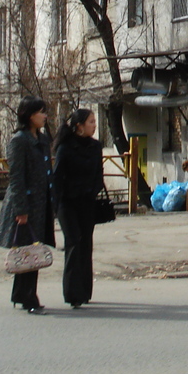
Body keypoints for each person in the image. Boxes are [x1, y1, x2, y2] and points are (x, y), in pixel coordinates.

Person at [0, 97, 55, 314]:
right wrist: (21, 210)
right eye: (41, 112)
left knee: (33, 250)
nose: (45, 116)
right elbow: (16, 178)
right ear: (29, 115)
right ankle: (27, 297)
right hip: (26, 204)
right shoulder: (19, 141)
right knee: (26, 250)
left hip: (41, 203)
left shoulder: (43, 139)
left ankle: (23, 293)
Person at [52, 108, 104, 309]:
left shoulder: (95, 146)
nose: (94, 125)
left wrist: (92, 190)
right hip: (67, 203)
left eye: (94, 121)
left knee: (86, 245)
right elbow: (57, 178)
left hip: (87, 202)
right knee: (73, 242)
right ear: (79, 126)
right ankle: (73, 294)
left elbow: (99, 174)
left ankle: (85, 291)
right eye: (91, 121)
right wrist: (55, 206)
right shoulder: (65, 148)